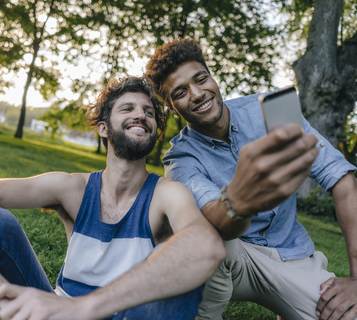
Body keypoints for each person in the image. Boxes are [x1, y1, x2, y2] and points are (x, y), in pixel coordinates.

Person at [0, 76, 225, 320]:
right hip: (54, 314)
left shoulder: (167, 194)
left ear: (156, 130)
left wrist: (84, 308)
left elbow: (205, 247)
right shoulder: (72, 188)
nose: (142, 115)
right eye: (127, 108)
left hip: (120, 313)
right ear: (104, 129)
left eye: (149, 112)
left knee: (181, 271)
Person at [144, 38, 357, 320]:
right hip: (230, 259)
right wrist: (241, 198)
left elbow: (340, 179)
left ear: (213, 78)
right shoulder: (180, 159)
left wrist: (356, 279)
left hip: (292, 256)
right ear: (172, 108)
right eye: (181, 92)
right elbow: (218, 220)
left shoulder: (271, 111)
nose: (197, 94)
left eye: (201, 79)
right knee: (198, 235)